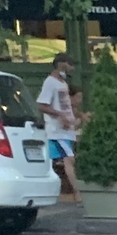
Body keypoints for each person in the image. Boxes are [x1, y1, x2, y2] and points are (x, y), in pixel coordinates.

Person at [36, 56, 79, 198]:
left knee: (55, 161)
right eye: (70, 63)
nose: (72, 68)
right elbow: (42, 105)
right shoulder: (50, 83)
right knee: (69, 159)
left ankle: (59, 190)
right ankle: (77, 193)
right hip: (57, 131)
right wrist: (60, 115)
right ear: (61, 64)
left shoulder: (62, 83)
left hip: (65, 130)